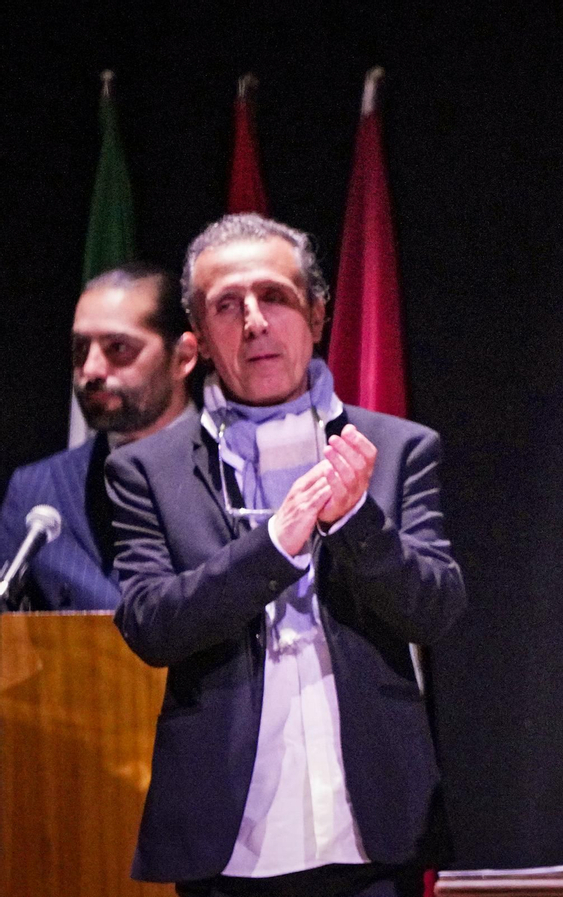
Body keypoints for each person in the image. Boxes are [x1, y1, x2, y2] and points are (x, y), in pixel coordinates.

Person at [107, 213, 465, 897]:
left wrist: (358, 518)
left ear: (317, 313)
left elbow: (438, 610)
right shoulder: (147, 469)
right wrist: (276, 543)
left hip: (369, 827)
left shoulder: (397, 446)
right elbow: (151, 624)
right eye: (226, 306)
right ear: (201, 339)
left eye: (274, 296)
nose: (254, 321)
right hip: (227, 832)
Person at [1, 263, 197, 611]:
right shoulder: (36, 491)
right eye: (80, 349)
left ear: (182, 357)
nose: (91, 370)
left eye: (118, 348)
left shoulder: (233, 466)